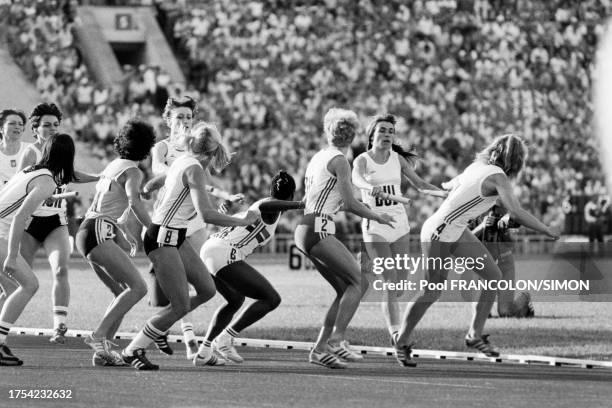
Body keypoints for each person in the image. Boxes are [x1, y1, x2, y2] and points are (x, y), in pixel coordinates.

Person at [395, 134, 559, 367]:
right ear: (515, 162)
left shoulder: (477, 166)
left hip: (454, 229)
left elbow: (448, 186)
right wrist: (545, 229)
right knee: (431, 291)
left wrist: (450, 195)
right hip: (440, 232)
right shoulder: (498, 176)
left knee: (493, 276)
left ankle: (474, 335)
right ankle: (401, 341)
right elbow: (516, 212)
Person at [120, 122, 259, 370]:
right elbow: (205, 214)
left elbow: (162, 178)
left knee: (206, 290)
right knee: (182, 305)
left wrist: (149, 187)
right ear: (214, 151)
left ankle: (161, 323)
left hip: (174, 235)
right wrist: (243, 221)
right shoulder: (194, 168)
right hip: (162, 237)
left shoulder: (184, 160)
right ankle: (134, 348)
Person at [294, 108, 395, 369]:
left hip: (308, 226)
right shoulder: (340, 160)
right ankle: (336, 340)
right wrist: (378, 215)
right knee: (359, 282)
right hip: (318, 227)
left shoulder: (319, 156)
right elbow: (350, 204)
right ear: (353, 135)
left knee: (344, 289)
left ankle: (319, 349)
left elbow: (313, 199)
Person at [148, 96, 243, 359]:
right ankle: (188, 340)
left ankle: (204, 340)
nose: (185, 122)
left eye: (189, 117)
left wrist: (225, 200)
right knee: (179, 286)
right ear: (168, 120)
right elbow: (160, 173)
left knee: (207, 279)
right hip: (168, 221)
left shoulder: (199, 152)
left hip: (194, 222)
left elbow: (206, 187)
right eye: (179, 117)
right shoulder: (164, 148)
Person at [352, 114, 445, 345]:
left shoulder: (397, 159)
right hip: (375, 223)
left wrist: (445, 195)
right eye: (383, 130)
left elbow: (421, 185)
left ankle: (364, 264)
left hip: (400, 225)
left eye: (391, 132)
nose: (387, 135)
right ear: (372, 134)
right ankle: (396, 334)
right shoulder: (362, 160)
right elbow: (356, 179)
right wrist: (369, 187)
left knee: (400, 285)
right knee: (390, 282)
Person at [197, 171, 304, 364]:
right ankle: (225, 338)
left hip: (211, 249)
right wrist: (301, 204)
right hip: (223, 252)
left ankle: (204, 352)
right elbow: (267, 205)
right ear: (291, 196)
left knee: (235, 299)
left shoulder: (266, 206)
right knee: (271, 299)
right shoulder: (268, 206)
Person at [75, 119, 156, 366]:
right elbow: (133, 200)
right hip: (98, 231)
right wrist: (152, 228)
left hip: (87, 231)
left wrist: (125, 234)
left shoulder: (113, 165)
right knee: (138, 288)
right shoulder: (133, 171)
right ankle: (99, 336)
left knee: (121, 291)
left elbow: (107, 206)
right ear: (146, 146)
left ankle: (103, 351)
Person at [16, 103, 99, 344]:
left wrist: (100, 176)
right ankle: (6, 327)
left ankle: (59, 325)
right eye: (46, 125)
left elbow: (71, 174)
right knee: (20, 277)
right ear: (36, 129)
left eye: (55, 125)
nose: (52, 129)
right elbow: (21, 186)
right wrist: (41, 193)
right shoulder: (31, 152)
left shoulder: (61, 149)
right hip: (29, 222)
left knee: (61, 269)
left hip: (55, 221)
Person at [0, 133, 76, 365]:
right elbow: (20, 217)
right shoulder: (47, 181)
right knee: (30, 284)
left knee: (11, 289)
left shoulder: (32, 170)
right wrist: (12, 256)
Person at [471, 205, 534, 318]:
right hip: (484, 268)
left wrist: (506, 229)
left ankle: (525, 297)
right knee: (480, 312)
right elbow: (464, 240)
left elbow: (512, 243)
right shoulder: (470, 214)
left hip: (504, 265)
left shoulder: (501, 210)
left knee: (505, 312)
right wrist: (482, 226)